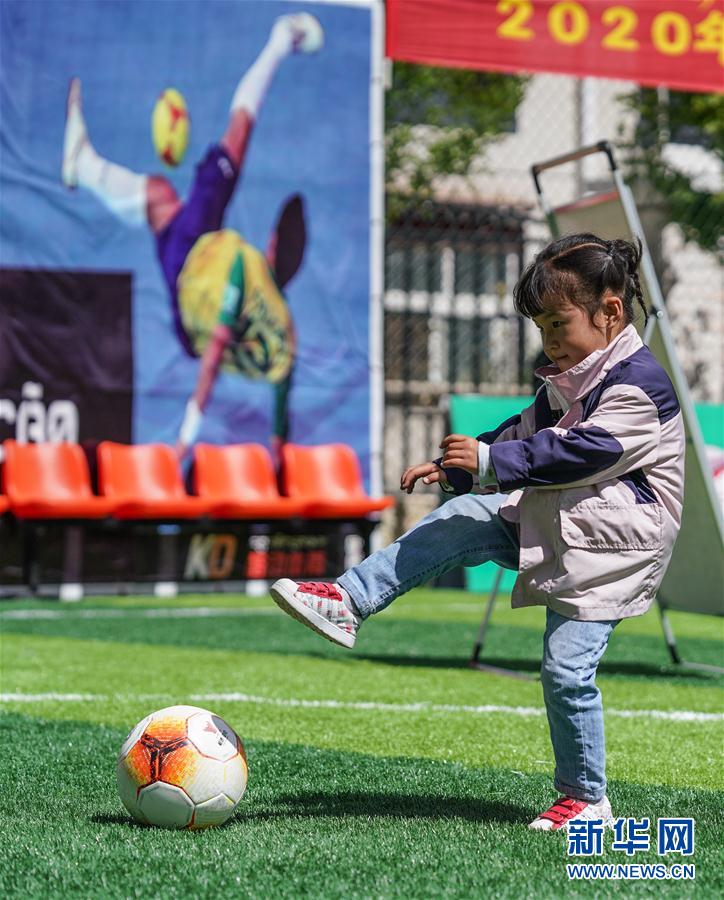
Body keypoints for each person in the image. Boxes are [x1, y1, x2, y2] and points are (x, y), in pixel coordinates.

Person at [269, 233, 685, 831]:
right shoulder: (573, 374)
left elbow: (583, 452)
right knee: (461, 519)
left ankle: (587, 798)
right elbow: (526, 429)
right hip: (566, 520)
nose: (548, 340)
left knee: (567, 670)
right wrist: (459, 469)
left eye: (557, 323)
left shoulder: (640, 387)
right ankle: (348, 601)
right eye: (540, 326)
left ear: (610, 312)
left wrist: (489, 464)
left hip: (614, 548)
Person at [61, 13, 323, 459]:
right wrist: (279, 450)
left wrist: (188, 432)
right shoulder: (281, 327)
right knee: (161, 194)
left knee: (233, 141)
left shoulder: (243, 274)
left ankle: (280, 39)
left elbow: (217, 349)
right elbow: (278, 386)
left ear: (278, 248)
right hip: (195, 274)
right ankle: (83, 168)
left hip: (196, 273)